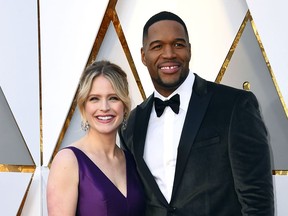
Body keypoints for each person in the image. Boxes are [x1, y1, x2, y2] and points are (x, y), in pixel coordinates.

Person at [119, 11, 274, 215]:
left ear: (189, 50)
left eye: (178, 44)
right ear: (143, 55)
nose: (169, 54)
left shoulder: (234, 105)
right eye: (157, 46)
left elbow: (257, 199)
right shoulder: (132, 123)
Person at [47, 60, 145, 216]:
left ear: (124, 106)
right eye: (94, 98)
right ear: (84, 107)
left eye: (113, 98)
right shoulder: (68, 161)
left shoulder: (132, 160)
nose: (104, 107)